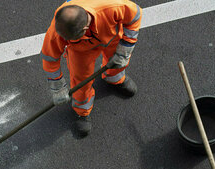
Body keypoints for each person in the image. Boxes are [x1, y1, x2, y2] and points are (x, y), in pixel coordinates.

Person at [41, 0, 141, 136]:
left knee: (118, 62)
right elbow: (49, 59)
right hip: (81, 51)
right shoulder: (58, 30)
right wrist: (58, 87)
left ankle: (114, 77)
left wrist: (125, 48)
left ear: (85, 29)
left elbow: (135, 16)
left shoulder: (113, 6)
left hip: (110, 34)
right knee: (81, 80)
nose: (63, 40)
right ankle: (82, 110)